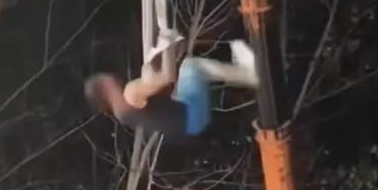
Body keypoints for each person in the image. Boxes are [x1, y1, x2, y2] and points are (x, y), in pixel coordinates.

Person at [85, 40, 258, 141]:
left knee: (186, 79)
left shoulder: (124, 117)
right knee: (191, 66)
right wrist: (158, 56)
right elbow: (164, 79)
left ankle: (243, 74)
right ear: (105, 87)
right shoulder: (130, 94)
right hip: (189, 116)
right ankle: (249, 75)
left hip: (190, 128)